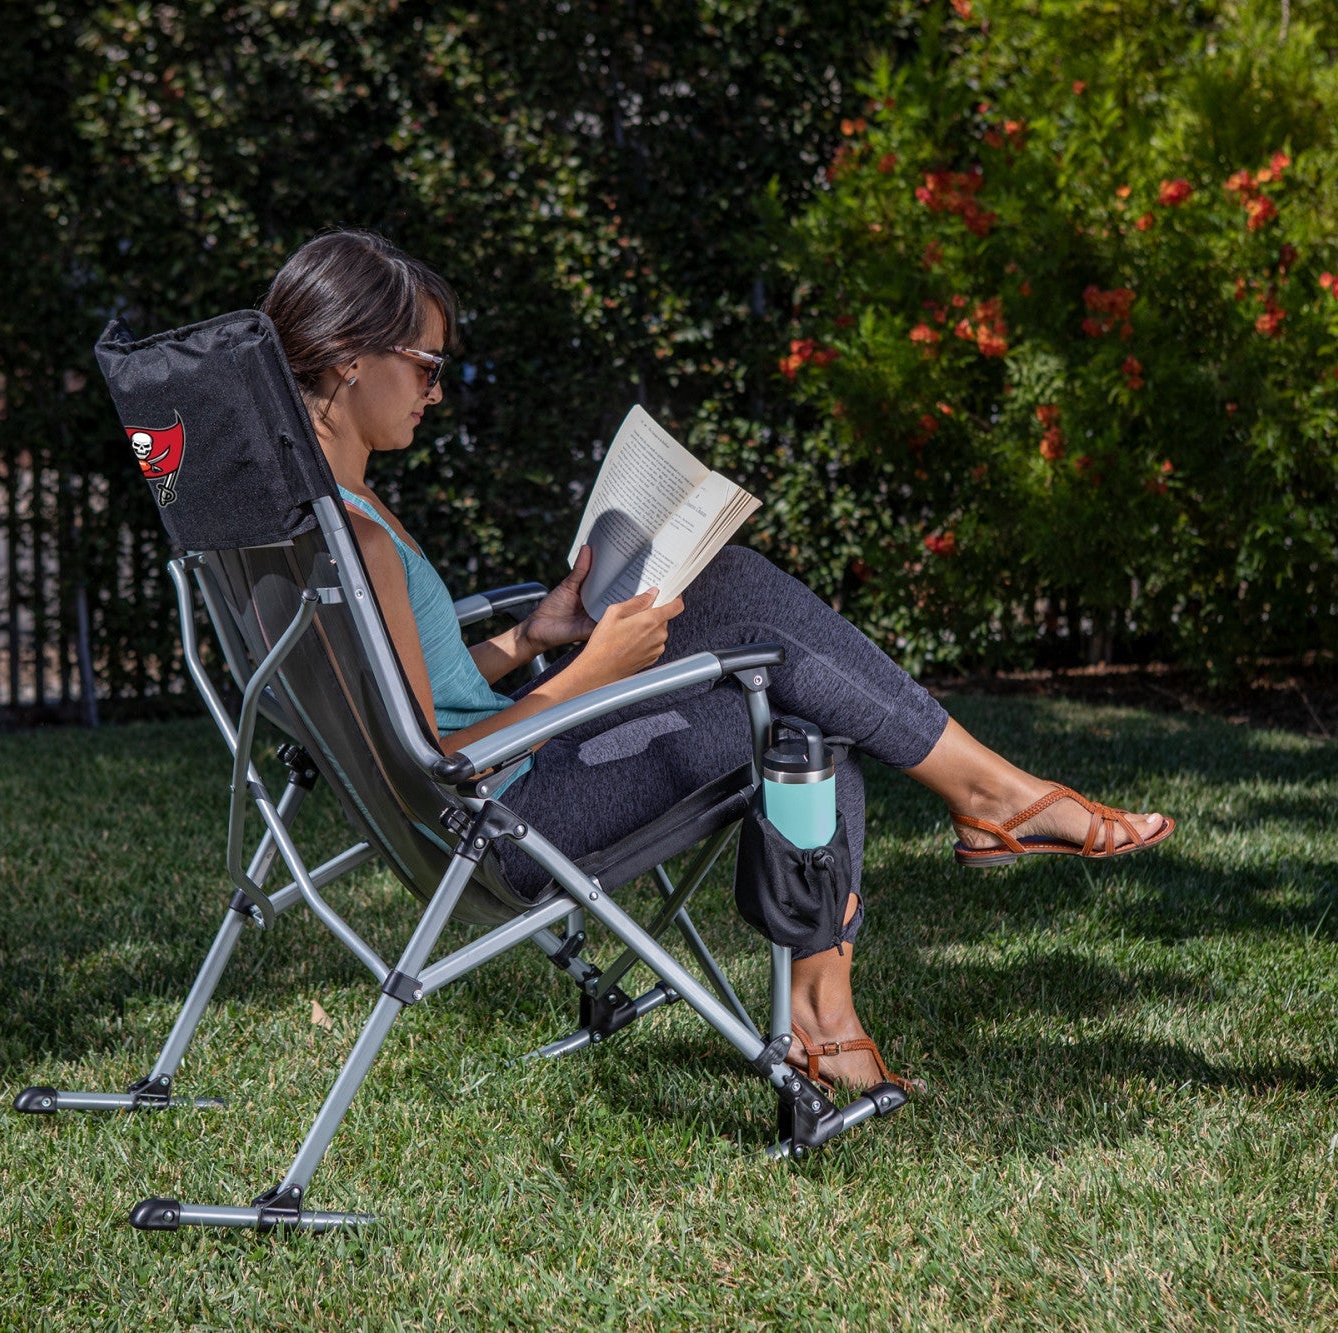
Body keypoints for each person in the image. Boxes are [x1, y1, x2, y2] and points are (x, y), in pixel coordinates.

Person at [262, 230, 1173, 1094]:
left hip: (491, 798)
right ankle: (939, 867)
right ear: (349, 358)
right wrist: (596, 671)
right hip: (508, 823)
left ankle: (890, 935)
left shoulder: (316, 521)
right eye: (425, 364)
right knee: (792, 694)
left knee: (772, 651)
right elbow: (431, 763)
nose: (437, 389)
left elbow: (411, 695)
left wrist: (538, 637)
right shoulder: (357, 541)